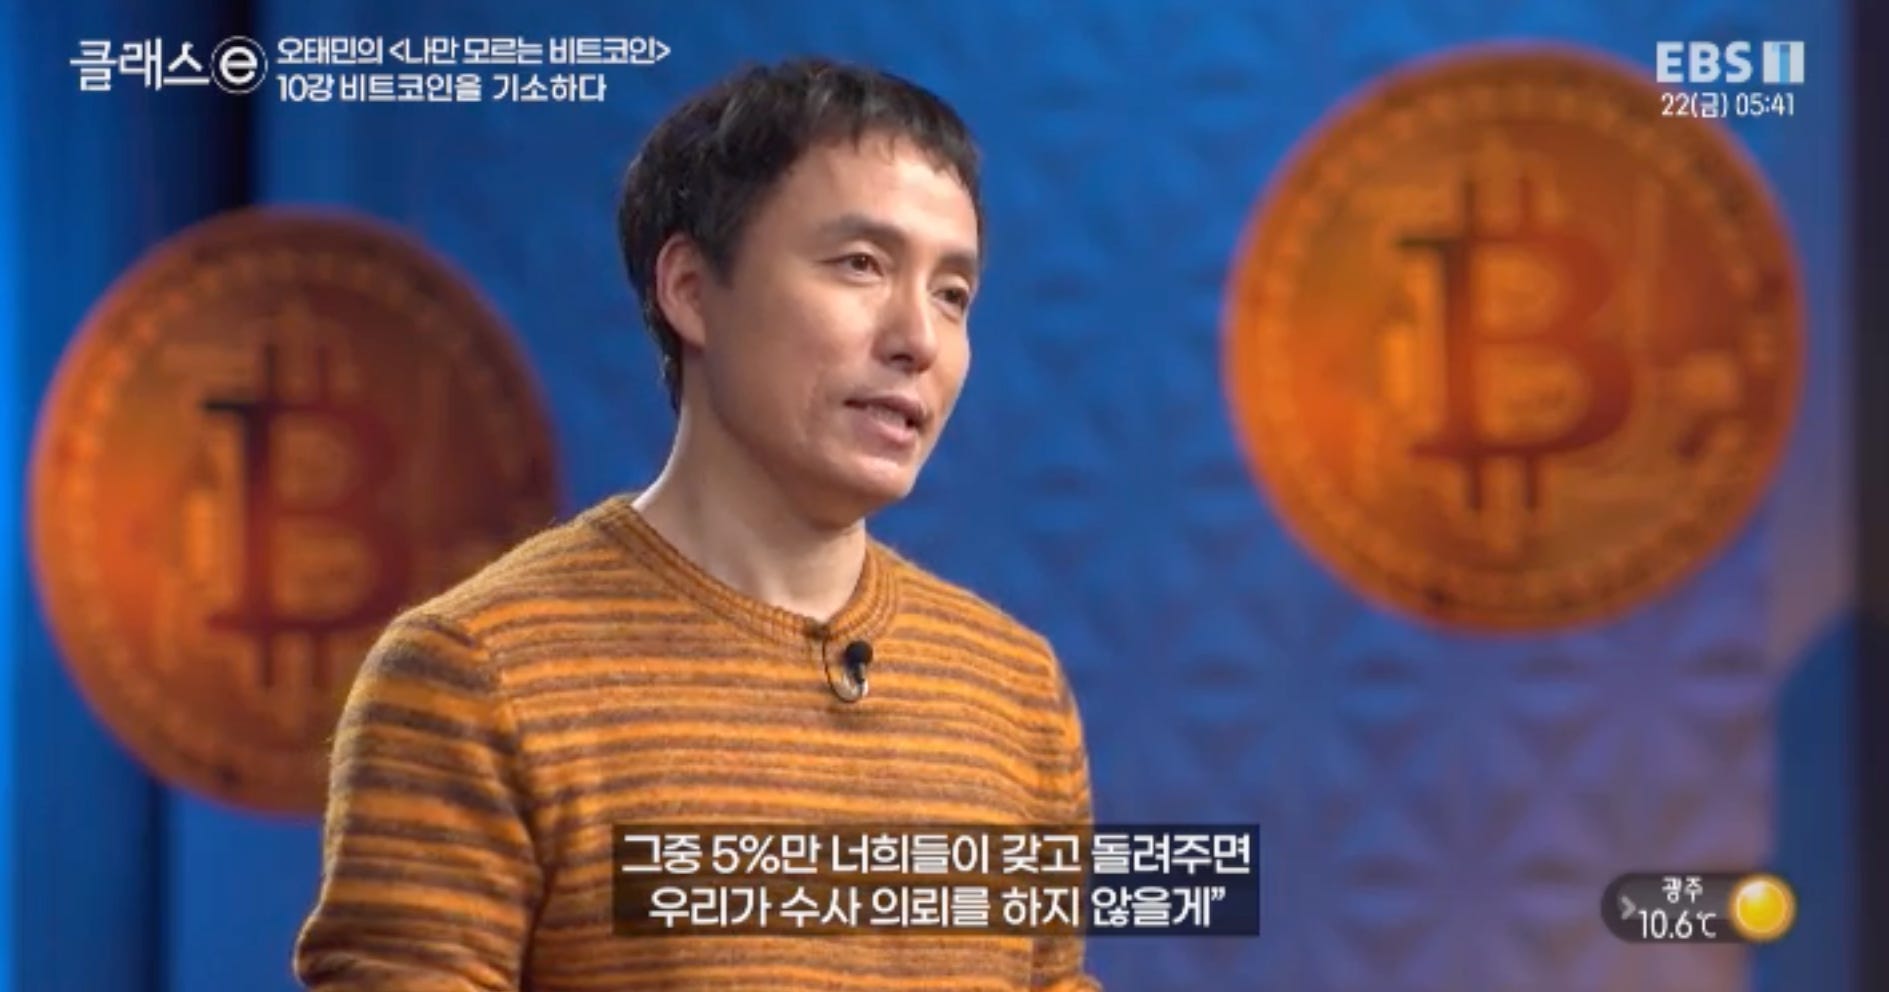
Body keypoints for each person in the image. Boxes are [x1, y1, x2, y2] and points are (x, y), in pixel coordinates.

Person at [293, 56, 1101, 991]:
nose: (917, 339)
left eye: (951, 294)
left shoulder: (1013, 690)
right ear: (689, 289)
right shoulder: (473, 677)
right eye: (861, 265)